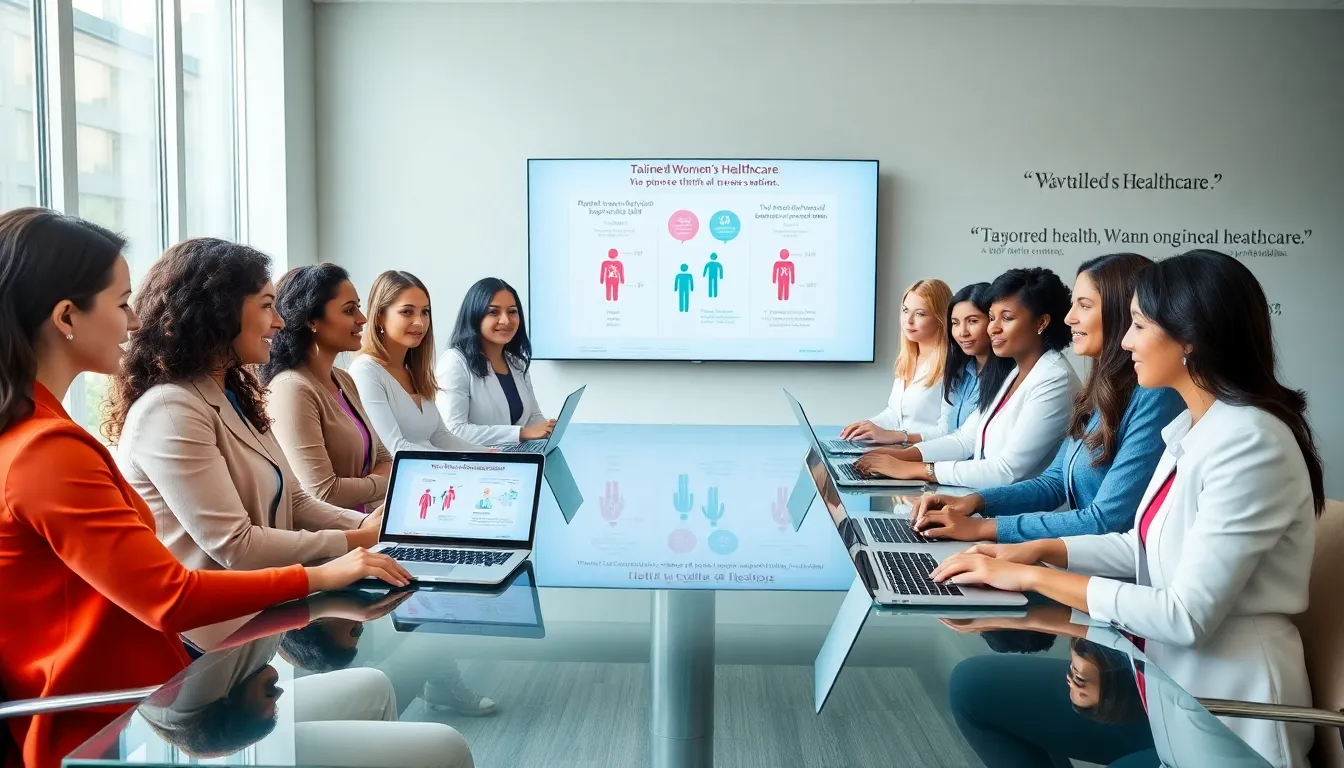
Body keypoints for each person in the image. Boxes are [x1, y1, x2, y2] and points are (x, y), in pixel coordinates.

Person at [0, 208, 409, 768]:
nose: (135, 323)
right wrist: (332, 568)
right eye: (121, 305)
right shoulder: (49, 450)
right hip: (103, 722)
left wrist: (358, 538)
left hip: (143, 688)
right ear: (67, 315)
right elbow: (172, 596)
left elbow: (285, 505)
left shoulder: (39, 433)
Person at [931, 250, 1322, 768]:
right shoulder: (1197, 428)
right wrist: (1027, 553)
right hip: (1168, 688)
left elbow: (1183, 616)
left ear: (1190, 337)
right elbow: (1138, 546)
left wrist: (1029, 579)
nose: (1128, 340)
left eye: (1137, 325)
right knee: (975, 688)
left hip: (1229, 722)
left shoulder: (1251, 442)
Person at [107, 239, 382, 572]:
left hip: (268, 607)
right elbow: (236, 546)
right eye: (267, 306)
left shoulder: (233, 394)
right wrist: (355, 539)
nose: (280, 322)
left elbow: (294, 501)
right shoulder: (170, 410)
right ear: (219, 312)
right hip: (215, 621)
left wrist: (367, 527)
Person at [910, 254, 1185, 543]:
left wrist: (985, 528)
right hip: (1072, 556)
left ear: (1123, 312)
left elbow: (1106, 519)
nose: (1069, 318)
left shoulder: (1154, 396)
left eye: (1085, 305)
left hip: (1097, 569)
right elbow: (1054, 483)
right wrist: (975, 502)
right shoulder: (1099, 388)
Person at [856, 267, 1080, 488]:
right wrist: (901, 456)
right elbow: (964, 439)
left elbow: (1008, 470)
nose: (993, 328)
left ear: (1041, 323)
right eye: (992, 318)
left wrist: (913, 469)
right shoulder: (1015, 372)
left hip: (1021, 515)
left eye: (1007, 318)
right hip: (987, 503)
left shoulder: (1054, 378)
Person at [139, 636, 475, 767]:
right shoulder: (206, 682)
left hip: (212, 735)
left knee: (374, 683)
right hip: (214, 742)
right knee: (449, 747)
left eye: (271, 695)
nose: (279, 689)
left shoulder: (203, 684)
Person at [261, 264, 393, 514]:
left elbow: (384, 458)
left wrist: (376, 481)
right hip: (336, 543)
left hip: (367, 526)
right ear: (312, 321)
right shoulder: (292, 389)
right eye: (349, 310)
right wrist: (386, 482)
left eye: (358, 307)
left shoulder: (344, 380)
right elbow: (323, 492)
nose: (362, 319)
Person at [349, 271, 483, 454]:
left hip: (434, 474)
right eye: (407, 312)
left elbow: (441, 437)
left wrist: (491, 455)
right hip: (407, 478)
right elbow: (397, 449)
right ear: (380, 316)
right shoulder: (365, 371)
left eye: (425, 312)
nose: (419, 323)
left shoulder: (413, 372)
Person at [435, 277, 555, 447]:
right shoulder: (454, 362)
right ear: (475, 316)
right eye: (493, 312)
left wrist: (548, 429)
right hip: (477, 465)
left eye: (512, 312)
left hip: (513, 457)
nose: (506, 320)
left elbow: (533, 417)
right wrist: (521, 433)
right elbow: (453, 431)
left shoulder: (516, 362)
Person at [840, 279, 952, 445]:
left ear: (940, 318)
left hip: (925, 458)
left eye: (920, 313)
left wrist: (899, 436)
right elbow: (895, 414)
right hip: (898, 452)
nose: (908, 320)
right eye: (906, 311)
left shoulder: (951, 367)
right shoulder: (909, 359)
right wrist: (868, 426)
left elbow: (948, 432)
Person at [938, 282, 1013, 441]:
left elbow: (967, 444)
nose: (962, 332)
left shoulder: (1011, 377)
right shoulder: (962, 371)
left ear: (992, 321)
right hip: (950, 460)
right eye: (955, 323)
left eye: (972, 321)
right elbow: (947, 432)